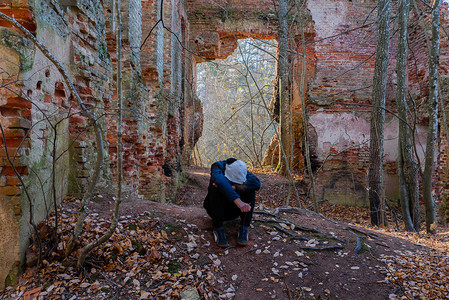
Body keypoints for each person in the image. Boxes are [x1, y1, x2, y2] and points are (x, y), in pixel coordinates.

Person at [203, 158, 261, 247]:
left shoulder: (239, 169)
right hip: (216, 210)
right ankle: (218, 227)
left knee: (250, 189)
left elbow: (256, 183)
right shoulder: (217, 167)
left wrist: (236, 188)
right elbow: (220, 181)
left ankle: (244, 227)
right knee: (217, 188)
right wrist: (238, 202)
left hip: (235, 211)